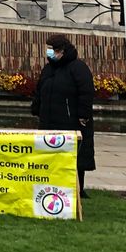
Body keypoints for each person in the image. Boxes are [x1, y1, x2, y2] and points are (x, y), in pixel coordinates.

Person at [31, 32, 96, 198]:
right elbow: (41, 89)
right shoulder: (49, 69)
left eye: (53, 50)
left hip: (71, 120)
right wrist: (36, 108)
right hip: (49, 119)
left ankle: (79, 188)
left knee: (76, 155)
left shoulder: (78, 68)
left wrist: (83, 115)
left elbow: (86, 93)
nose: (50, 53)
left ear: (62, 51)